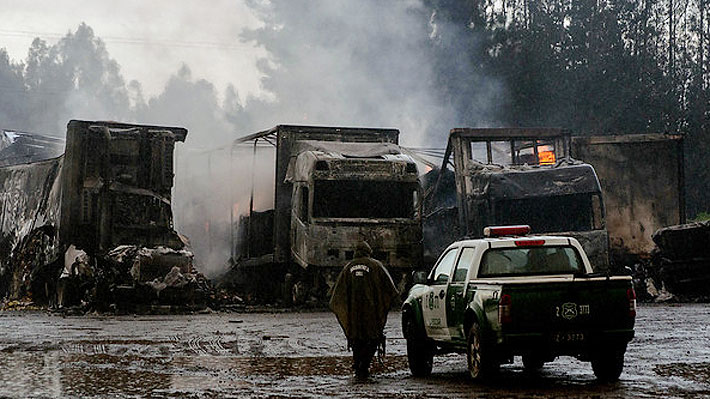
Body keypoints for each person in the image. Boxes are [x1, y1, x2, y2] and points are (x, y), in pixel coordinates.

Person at [329, 241, 398, 380]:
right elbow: (391, 290)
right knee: (372, 338)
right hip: (372, 314)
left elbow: (337, 295)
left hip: (353, 315)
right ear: (369, 251)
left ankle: (358, 364)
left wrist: (345, 311)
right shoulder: (376, 266)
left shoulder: (347, 268)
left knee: (356, 339)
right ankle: (364, 365)